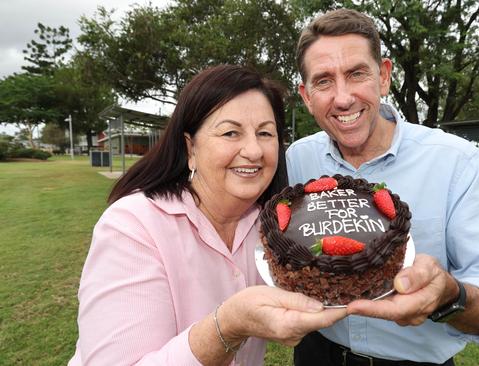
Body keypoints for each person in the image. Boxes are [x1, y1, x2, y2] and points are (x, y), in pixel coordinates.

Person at [287, 9, 479, 365]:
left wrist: (448, 296)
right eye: (323, 81)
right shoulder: (297, 159)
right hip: (316, 355)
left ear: (383, 76)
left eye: (356, 74)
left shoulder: (456, 161)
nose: (342, 98)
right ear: (306, 96)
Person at [68, 65, 347, 366]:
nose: (253, 151)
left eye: (265, 133)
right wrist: (228, 325)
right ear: (191, 148)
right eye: (230, 132)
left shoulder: (273, 228)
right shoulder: (131, 226)